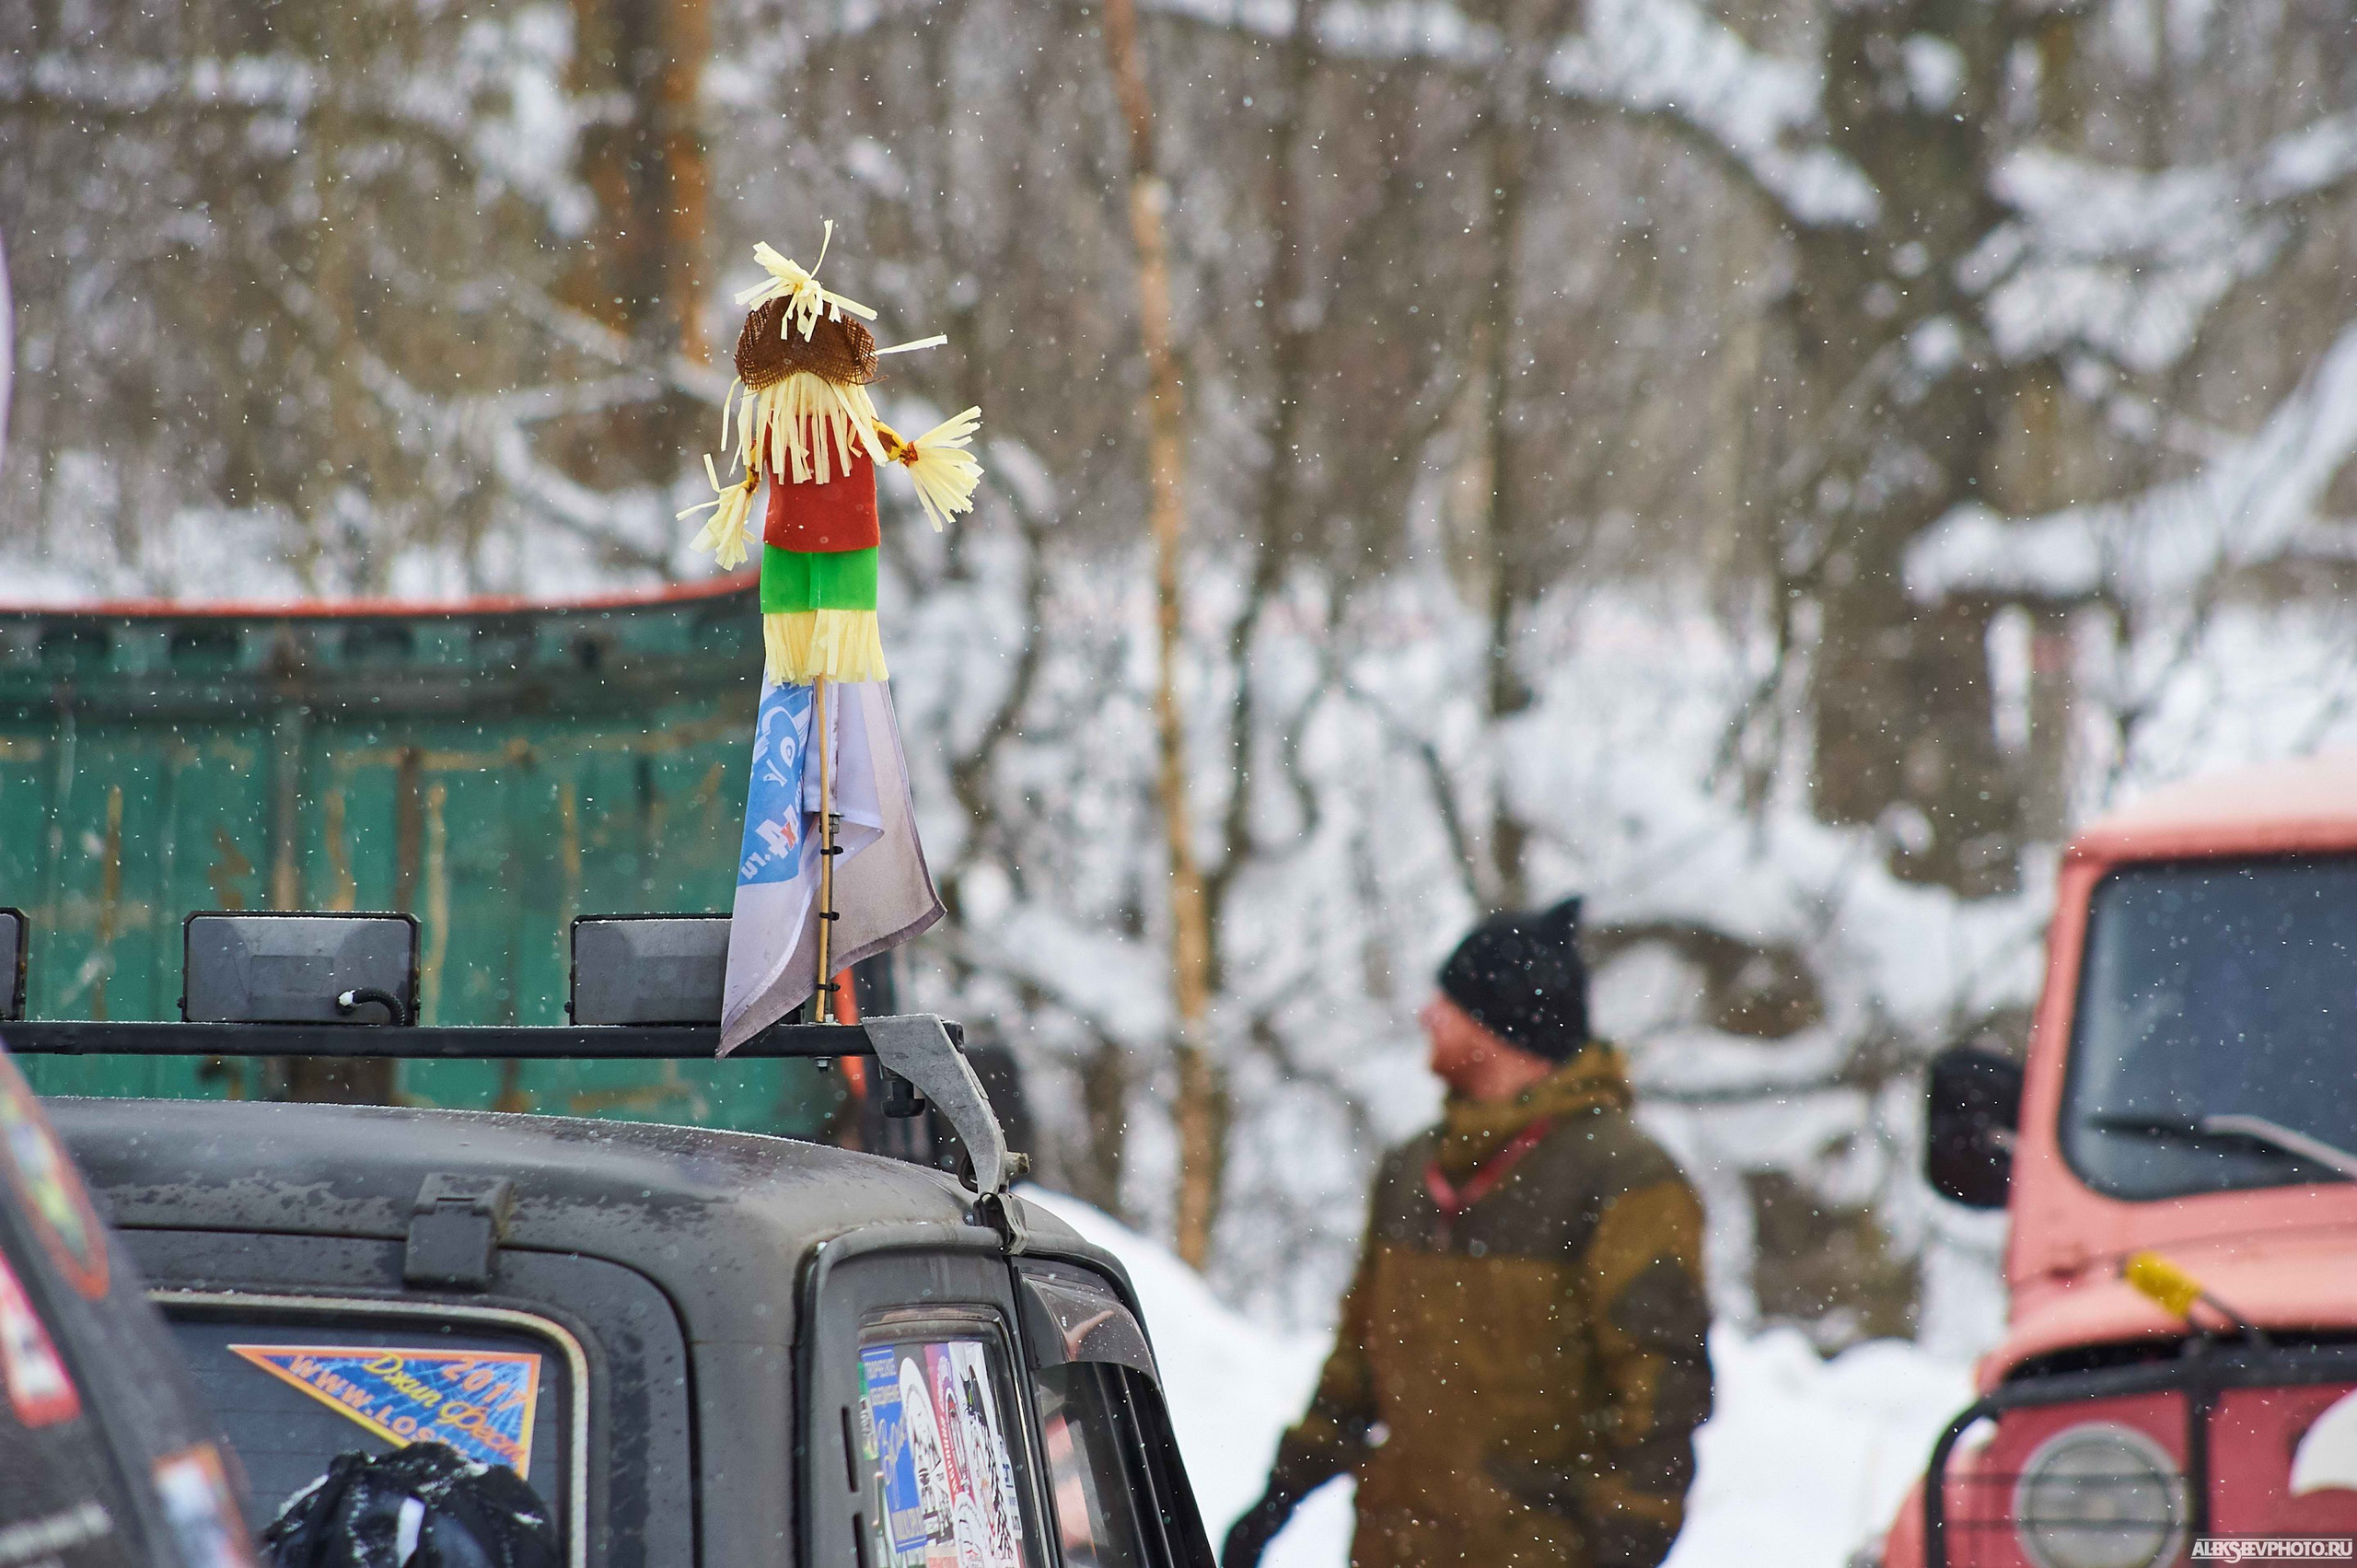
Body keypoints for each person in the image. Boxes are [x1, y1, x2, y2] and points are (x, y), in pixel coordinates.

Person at [1222, 898, 1713, 1568]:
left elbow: (1662, 1393)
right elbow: (1357, 1364)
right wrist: (1282, 1493)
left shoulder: (1624, 1178)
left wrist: (1624, 1546)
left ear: (1499, 1021)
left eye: (1448, 1001)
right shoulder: (1410, 1171)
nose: (1428, 1015)